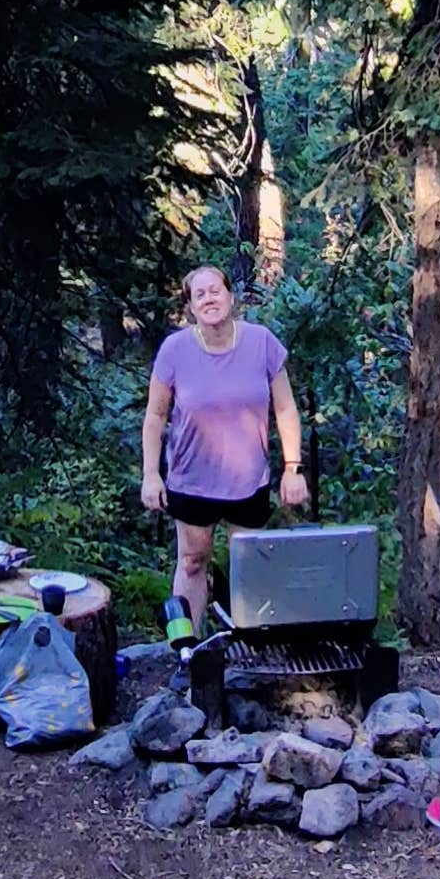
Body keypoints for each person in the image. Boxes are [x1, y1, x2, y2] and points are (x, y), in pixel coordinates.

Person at [142, 263, 307, 641]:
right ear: (190, 306)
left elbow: (285, 408)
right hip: (191, 481)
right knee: (192, 561)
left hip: (248, 481)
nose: (209, 299)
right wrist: (151, 474)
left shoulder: (262, 343)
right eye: (199, 294)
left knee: (251, 568)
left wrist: (293, 468)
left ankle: (253, 648)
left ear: (231, 296)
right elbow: (155, 415)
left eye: (215, 290)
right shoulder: (175, 350)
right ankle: (186, 649)